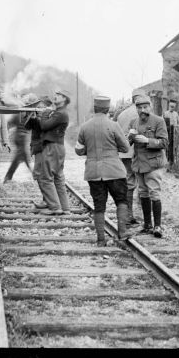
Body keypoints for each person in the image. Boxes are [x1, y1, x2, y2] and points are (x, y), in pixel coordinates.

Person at [75, 96, 131, 246]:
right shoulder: (114, 126)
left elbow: (78, 150)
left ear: (95, 108)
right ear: (107, 109)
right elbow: (125, 148)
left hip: (94, 173)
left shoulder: (85, 127)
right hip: (114, 171)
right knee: (121, 200)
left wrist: (89, 149)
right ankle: (122, 232)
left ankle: (101, 240)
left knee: (99, 206)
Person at [127, 95, 168, 238]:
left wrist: (147, 140)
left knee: (154, 193)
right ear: (136, 109)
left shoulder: (159, 121)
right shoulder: (133, 122)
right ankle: (147, 224)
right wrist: (130, 138)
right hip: (139, 164)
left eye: (145, 107)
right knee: (143, 194)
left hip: (153, 164)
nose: (142, 110)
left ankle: (158, 226)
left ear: (150, 107)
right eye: (139, 107)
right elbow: (128, 144)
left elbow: (164, 142)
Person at [37, 89, 71, 215]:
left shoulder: (60, 114)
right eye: (56, 94)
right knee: (58, 178)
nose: (55, 96)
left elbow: (44, 126)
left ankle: (55, 207)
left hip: (53, 147)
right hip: (58, 147)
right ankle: (65, 208)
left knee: (46, 177)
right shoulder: (59, 112)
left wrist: (45, 113)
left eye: (59, 95)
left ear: (65, 99)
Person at [116, 87, 146, 225]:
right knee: (143, 183)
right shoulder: (143, 113)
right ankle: (142, 214)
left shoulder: (122, 114)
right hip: (140, 152)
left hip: (125, 153)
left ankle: (128, 214)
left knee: (128, 183)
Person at [3, 93, 40, 183]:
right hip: (20, 136)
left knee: (21, 157)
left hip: (19, 135)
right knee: (23, 156)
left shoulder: (23, 110)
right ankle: (33, 175)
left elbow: (11, 121)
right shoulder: (25, 111)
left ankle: (9, 177)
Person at [24, 96, 50, 208]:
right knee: (39, 174)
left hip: (43, 147)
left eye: (41, 106)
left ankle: (47, 200)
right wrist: (30, 115)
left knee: (41, 174)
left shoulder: (49, 115)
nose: (39, 108)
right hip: (37, 147)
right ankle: (47, 199)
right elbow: (26, 126)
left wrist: (38, 117)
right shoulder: (36, 116)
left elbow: (44, 127)